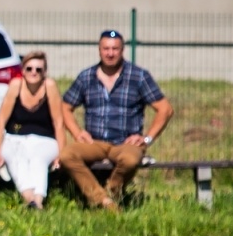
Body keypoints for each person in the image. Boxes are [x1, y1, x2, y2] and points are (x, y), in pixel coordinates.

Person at [57, 30, 174, 210]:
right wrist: (77, 132)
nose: (110, 53)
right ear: (99, 50)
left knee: (130, 160)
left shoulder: (138, 76)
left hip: (126, 141)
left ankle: (112, 191)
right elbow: (65, 106)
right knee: (67, 155)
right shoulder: (86, 76)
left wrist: (147, 138)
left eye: (115, 49)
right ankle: (102, 200)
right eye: (106, 49)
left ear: (122, 50)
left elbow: (165, 109)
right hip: (94, 142)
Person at [0, 51, 66, 209]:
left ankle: (37, 201)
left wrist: (61, 154)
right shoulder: (15, 86)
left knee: (38, 160)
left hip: (45, 139)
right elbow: (1, 121)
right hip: (15, 138)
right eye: (29, 68)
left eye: (38, 69)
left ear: (45, 72)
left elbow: (59, 123)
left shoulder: (49, 86)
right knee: (17, 160)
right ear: (23, 70)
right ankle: (29, 198)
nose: (33, 73)